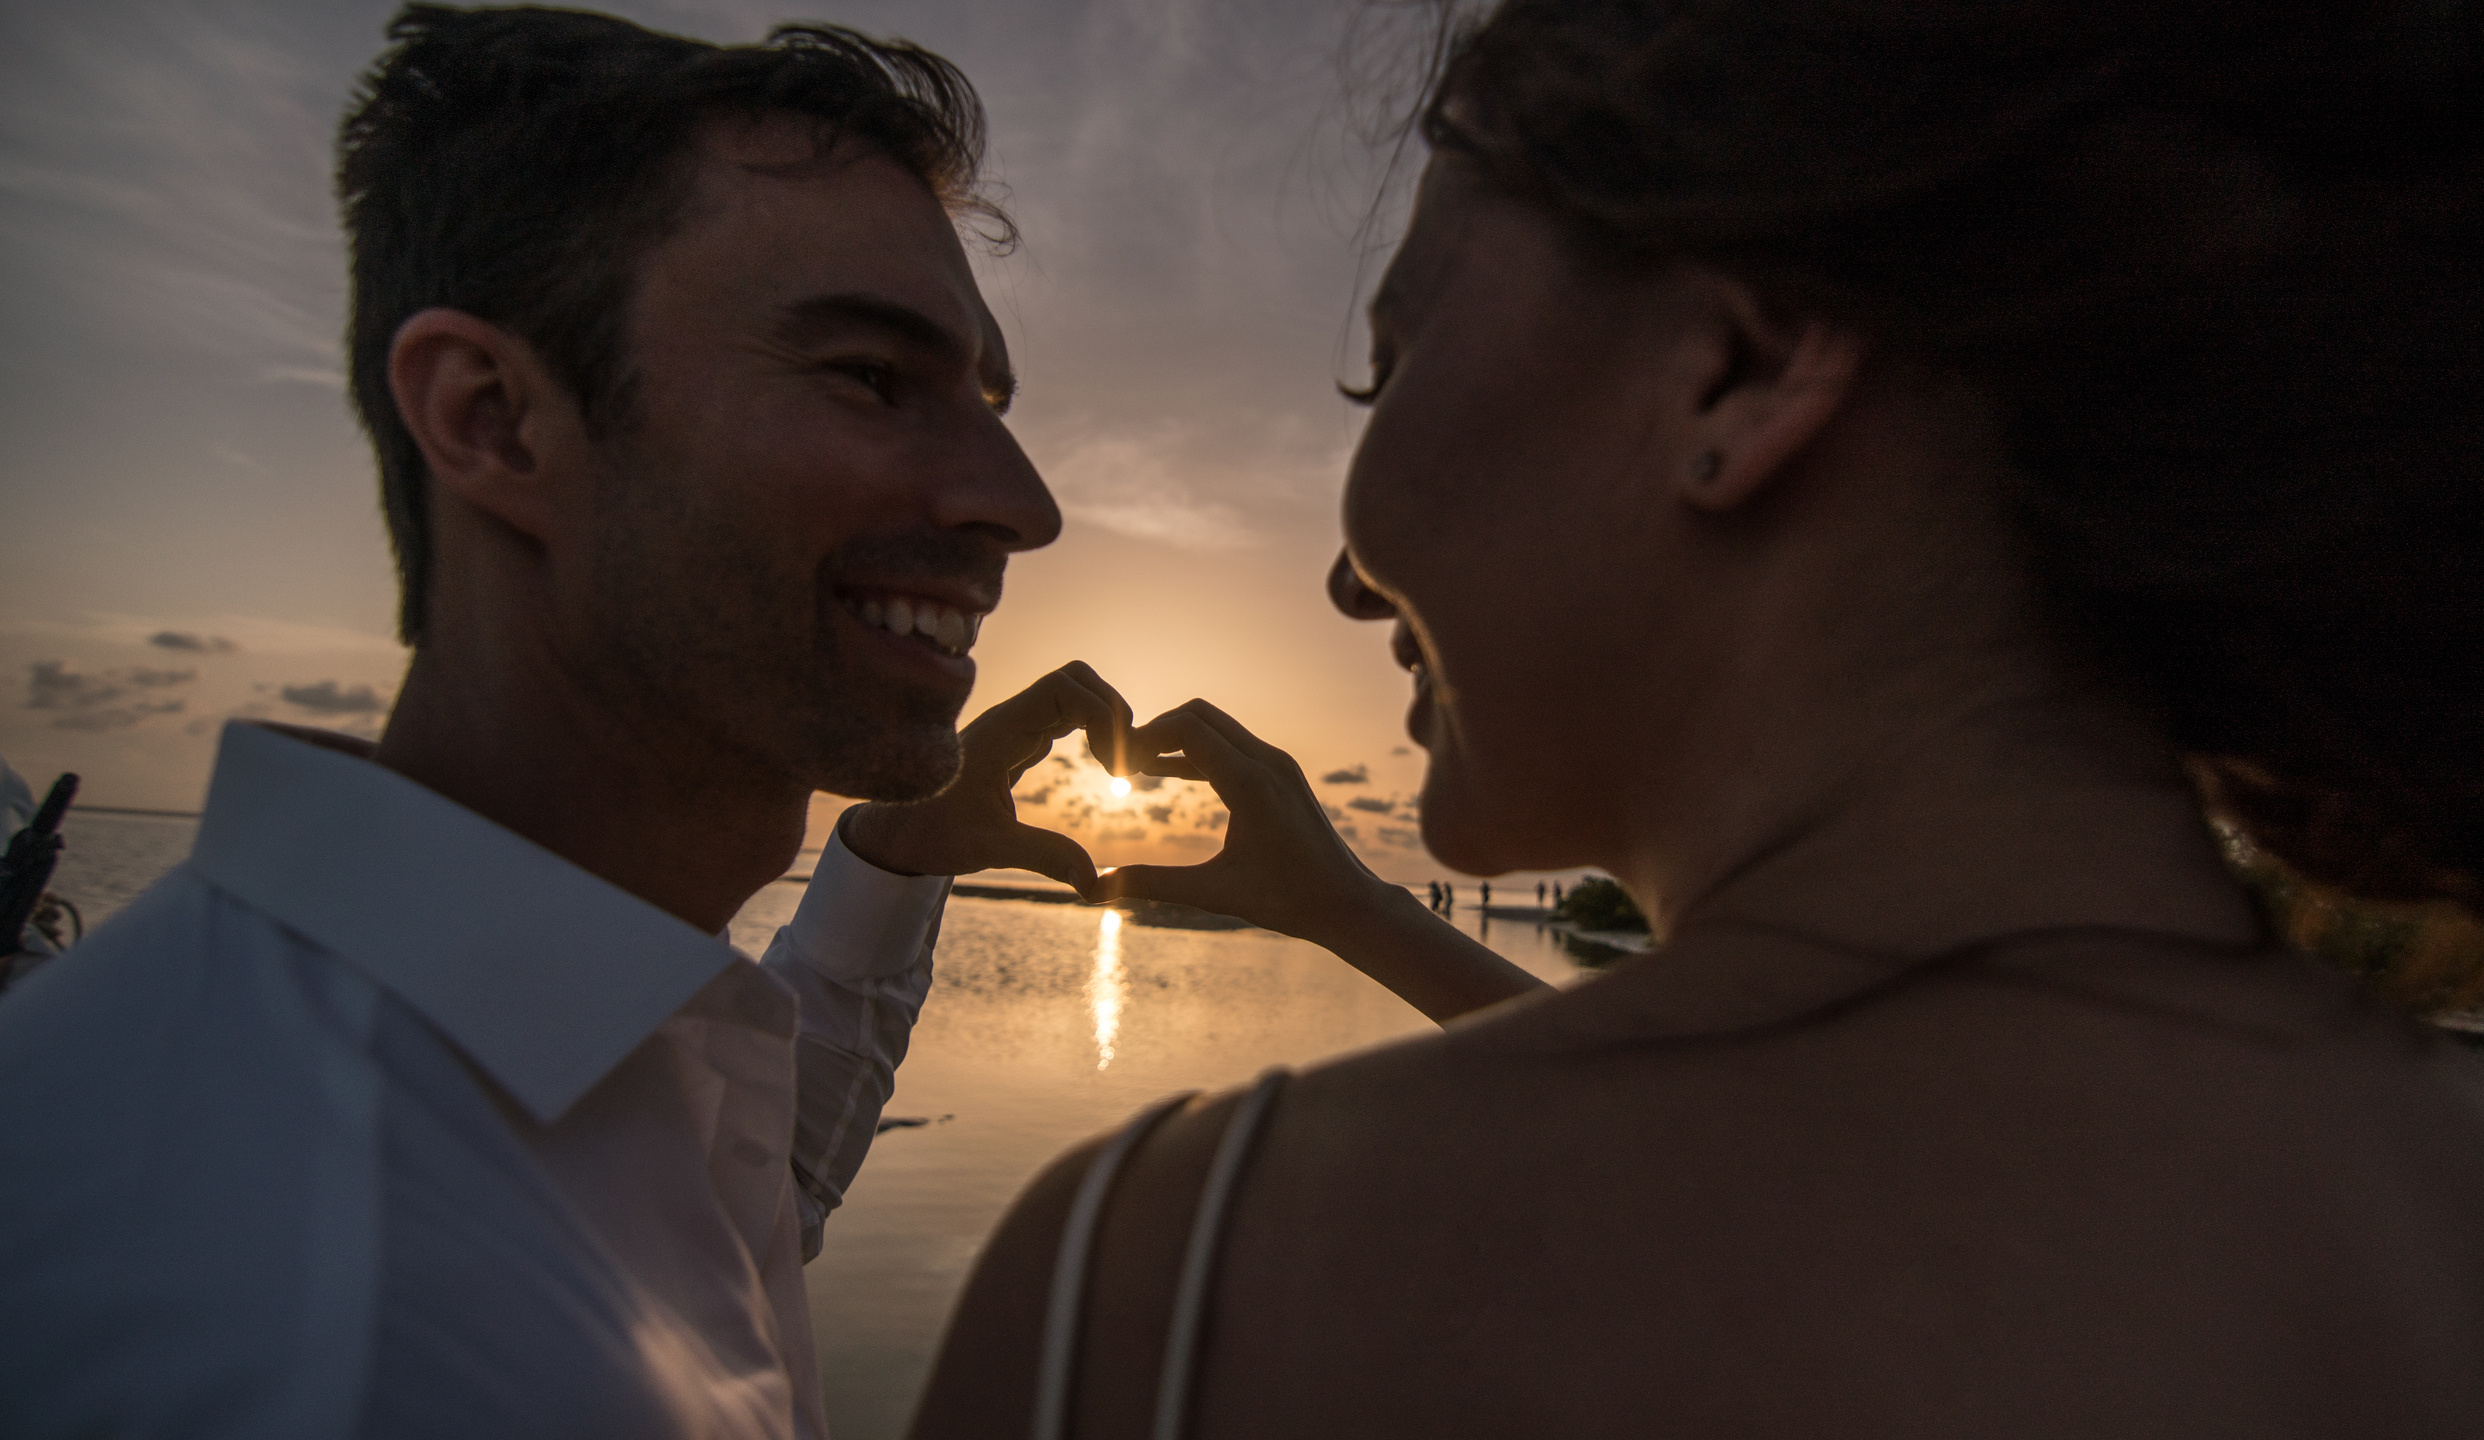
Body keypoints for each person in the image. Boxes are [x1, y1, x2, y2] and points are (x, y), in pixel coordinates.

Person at [913, 2, 2484, 1435]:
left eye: (1391, 362)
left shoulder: (1176, 1281)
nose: (1350, 580)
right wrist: (1347, 910)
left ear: (1741, 370)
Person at [0, 10, 1538, 1436]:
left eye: (991, 402)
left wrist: (900, 858)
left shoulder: (477, 1066)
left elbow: (725, 1208)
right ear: (491, 418)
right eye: (873, 378)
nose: (1021, 505)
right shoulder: (351, 1340)